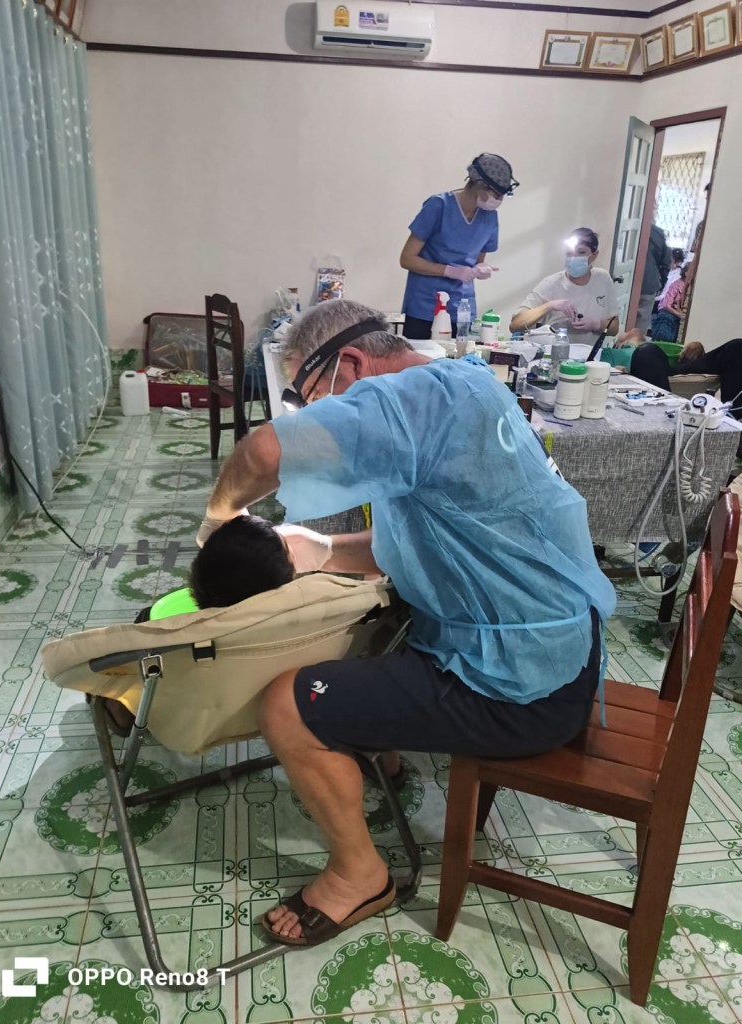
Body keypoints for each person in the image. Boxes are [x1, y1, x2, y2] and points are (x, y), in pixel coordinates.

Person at [198, 299, 616, 948]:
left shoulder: (412, 400)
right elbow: (432, 539)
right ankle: (382, 760)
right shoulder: (464, 381)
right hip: (555, 649)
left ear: (349, 364)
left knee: (287, 706)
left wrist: (217, 521)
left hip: (521, 690)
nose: (315, 416)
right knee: (373, 620)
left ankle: (359, 876)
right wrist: (323, 549)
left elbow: (262, 453)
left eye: (312, 398)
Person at [96, 516, 295, 736]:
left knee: (143, 628)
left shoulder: (165, 633)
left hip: (188, 722)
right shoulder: (305, 622)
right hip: (266, 712)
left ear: (197, 578)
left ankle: (120, 709)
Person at [399, 153, 519, 340]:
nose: (499, 201)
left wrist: (480, 269)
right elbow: (407, 259)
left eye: (503, 196)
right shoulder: (439, 206)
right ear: (479, 185)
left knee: (457, 355)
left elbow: (478, 262)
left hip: (461, 308)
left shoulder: (489, 217)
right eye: (496, 195)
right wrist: (448, 271)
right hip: (425, 306)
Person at [509, 228, 619, 349]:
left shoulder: (603, 279)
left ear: (594, 255)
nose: (574, 258)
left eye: (581, 252)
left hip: (589, 355)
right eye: (569, 253)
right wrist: (549, 306)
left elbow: (614, 328)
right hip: (555, 355)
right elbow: (515, 325)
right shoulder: (551, 284)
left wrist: (596, 324)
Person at [629, 337, 742, 418]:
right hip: (654, 374)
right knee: (645, 351)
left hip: (668, 375)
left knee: (737, 348)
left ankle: (733, 421)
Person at [634, 224, 670, 335]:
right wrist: (661, 282)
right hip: (648, 282)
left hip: (624, 279)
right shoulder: (657, 232)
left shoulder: (629, 227)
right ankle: (635, 344)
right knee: (641, 320)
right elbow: (665, 261)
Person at [650, 266, 686, 343]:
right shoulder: (676, 284)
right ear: (686, 273)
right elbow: (666, 304)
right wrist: (679, 314)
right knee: (667, 319)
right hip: (670, 310)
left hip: (680, 313)